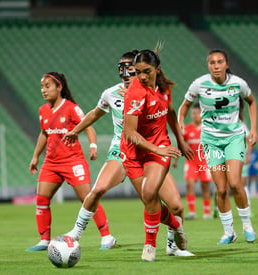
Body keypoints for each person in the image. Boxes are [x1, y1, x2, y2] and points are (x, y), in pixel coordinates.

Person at [63, 50, 194, 256]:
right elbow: (95, 114)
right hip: (123, 150)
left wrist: (180, 141)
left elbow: (169, 111)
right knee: (98, 189)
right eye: (122, 69)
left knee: (176, 206)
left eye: (130, 70)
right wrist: (75, 131)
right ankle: (77, 233)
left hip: (152, 150)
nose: (126, 74)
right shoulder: (112, 93)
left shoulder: (156, 89)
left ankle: (172, 246)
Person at [26, 72, 114, 252]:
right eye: (42, 87)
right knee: (42, 199)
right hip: (51, 163)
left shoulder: (72, 108)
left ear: (59, 87)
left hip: (73, 161)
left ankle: (107, 237)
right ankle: (44, 241)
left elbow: (88, 127)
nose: (43, 90)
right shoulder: (43, 111)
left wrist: (93, 145)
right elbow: (44, 133)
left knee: (88, 198)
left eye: (47, 86)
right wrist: (36, 156)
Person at [121, 48, 194, 261]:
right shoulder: (136, 93)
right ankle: (175, 223)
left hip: (159, 147)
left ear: (157, 69)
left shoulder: (164, 88)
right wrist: (156, 149)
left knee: (150, 191)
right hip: (134, 152)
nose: (142, 76)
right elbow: (129, 132)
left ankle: (149, 246)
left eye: (146, 71)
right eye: (137, 72)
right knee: (149, 199)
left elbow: (170, 113)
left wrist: (180, 141)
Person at [178, 49, 258, 245]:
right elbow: (185, 105)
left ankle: (247, 226)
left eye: (220, 62)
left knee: (234, 183)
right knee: (220, 189)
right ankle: (229, 232)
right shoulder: (199, 84)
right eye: (212, 62)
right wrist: (180, 120)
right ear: (208, 66)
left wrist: (253, 129)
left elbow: (252, 102)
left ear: (226, 64)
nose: (216, 66)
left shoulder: (238, 83)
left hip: (234, 138)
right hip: (211, 141)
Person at [173, 103, 212, 220]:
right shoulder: (187, 129)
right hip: (191, 162)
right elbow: (181, 145)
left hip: (205, 162)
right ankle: (192, 212)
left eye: (197, 113)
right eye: (193, 113)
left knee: (205, 187)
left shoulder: (207, 129)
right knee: (189, 185)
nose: (195, 115)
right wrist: (176, 159)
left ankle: (206, 213)